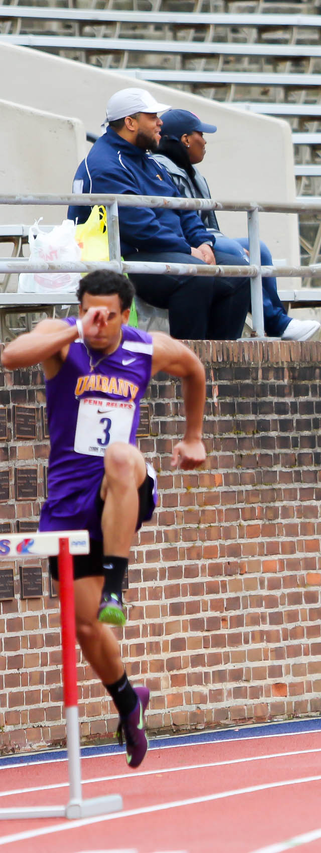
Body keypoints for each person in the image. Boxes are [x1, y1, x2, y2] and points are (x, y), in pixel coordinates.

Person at [0, 270, 208, 767]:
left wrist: (194, 436)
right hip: (70, 499)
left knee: (119, 454)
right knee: (85, 627)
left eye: (108, 314)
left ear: (126, 314)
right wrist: (76, 328)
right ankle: (126, 700)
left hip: (125, 484)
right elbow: (10, 357)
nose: (98, 322)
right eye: (90, 310)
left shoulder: (147, 348)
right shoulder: (61, 340)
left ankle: (118, 584)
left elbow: (194, 368)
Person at [69, 88, 251, 341]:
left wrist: (202, 242)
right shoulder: (106, 164)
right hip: (125, 260)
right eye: (152, 116)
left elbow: (183, 208)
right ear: (131, 123)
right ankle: (185, 362)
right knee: (195, 275)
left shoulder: (147, 159)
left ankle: (217, 363)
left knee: (238, 272)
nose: (160, 123)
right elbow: (139, 228)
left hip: (169, 252)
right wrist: (188, 251)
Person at [153, 109, 321, 342]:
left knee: (258, 248)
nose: (205, 141)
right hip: (185, 243)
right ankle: (275, 322)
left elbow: (209, 222)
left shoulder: (193, 173)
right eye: (200, 134)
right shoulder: (160, 168)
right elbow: (177, 221)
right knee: (234, 251)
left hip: (205, 236)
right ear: (185, 139)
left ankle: (277, 320)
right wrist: (219, 246)